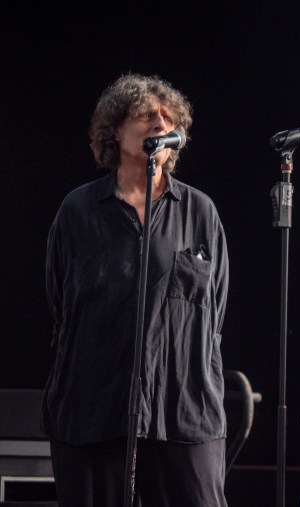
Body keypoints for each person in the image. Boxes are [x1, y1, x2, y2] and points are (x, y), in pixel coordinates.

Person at [43, 73, 229, 506]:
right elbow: (60, 305)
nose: (161, 123)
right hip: (93, 411)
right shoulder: (78, 210)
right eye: (146, 115)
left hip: (183, 411)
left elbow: (215, 310)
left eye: (168, 117)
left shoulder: (199, 211)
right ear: (114, 130)